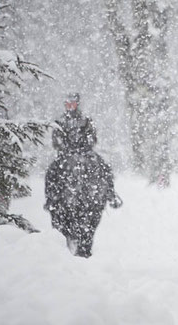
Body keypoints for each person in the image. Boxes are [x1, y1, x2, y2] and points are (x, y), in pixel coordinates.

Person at [45, 93, 121, 258]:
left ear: (77, 104)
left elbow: (92, 138)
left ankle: (111, 194)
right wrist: (67, 148)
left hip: (85, 153)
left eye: (72, 103)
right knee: (52, 171)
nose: (70, 105)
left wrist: (82, 147)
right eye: (68, 103)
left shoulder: (86, 120)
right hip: (66, 154)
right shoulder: (59, 122)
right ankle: (50, 198)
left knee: (103, 166)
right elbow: (56, 141)